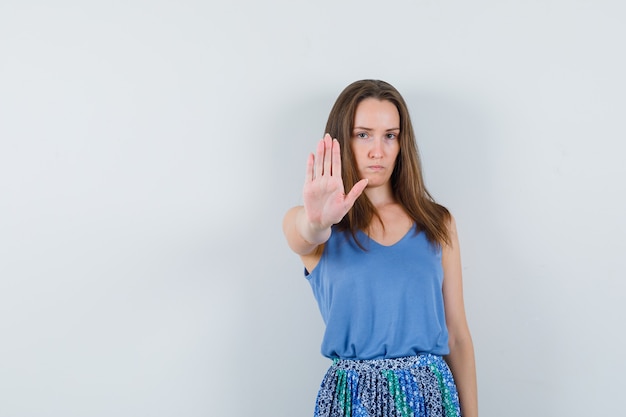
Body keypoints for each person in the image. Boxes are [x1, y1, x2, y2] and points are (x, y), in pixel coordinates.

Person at [283, 79, 478, 417]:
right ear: (342, 140)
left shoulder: (437, 223)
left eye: (390, 135)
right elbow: (303, 234)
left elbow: (457, 335)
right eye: (363, 134)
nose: (378, 150)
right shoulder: (318, 226)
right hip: (351, 401)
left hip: (429, 398)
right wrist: (318, 222)